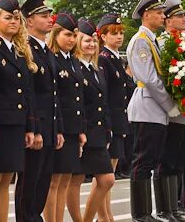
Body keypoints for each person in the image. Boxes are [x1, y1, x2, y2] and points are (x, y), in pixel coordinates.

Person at [0, 0, 37, 222]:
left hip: (15, 122)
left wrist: (30, 126)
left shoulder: (19, 50)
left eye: (16, 18)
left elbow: (27, 92)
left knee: (6, 180)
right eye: (8, 17)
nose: (13, 22)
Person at [127, 0, 180, 222]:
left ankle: (161, 211)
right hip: (147, 107)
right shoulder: (141, 41)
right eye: (159, 12)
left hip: (154, 109)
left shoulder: (151, 40)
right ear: (147, 14)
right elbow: (149, 78)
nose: (163, 16)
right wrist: (170, 105)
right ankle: (141, 214)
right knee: (143, 161)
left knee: (154, 160)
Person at [17, 0, 63, 222]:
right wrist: (32, 128)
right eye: (43, 15)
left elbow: (54, 95)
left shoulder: (45, 51)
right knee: (29, 182)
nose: (49, 19)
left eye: (49, 14)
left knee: (43, 180)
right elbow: (29, 93)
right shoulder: (26, 49)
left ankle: (34, 217)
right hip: (36, 126)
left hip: (49, 126)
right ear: (30, 21)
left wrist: (58, 129)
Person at [44, 13, 85, 222]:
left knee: (65, 180)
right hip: (59, 126)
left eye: (73, 36)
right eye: (67, 35)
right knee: (54, 181)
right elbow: (56, 98)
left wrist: (80, 129)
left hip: (71, 127)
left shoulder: (73, 60)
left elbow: (78, 98)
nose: (71, 40)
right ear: (55, 34)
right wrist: (60, 127)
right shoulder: (52, 58)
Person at [75, 18, 115, 222]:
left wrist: (108, 129)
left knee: (107, 180)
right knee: (78, 181)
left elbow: (103, 102)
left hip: (98, 132)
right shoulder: (77, 69)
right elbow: (78, 104)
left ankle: (89, 219)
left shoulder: (96, 69)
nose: (91, 45)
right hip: (84, 131)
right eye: (86, 41)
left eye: (93, 41)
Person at [156, 0, 185, 222]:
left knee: (178, 160)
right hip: (169, 110)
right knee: (166, 160)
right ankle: (164, 208)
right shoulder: (162, 43)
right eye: (180, 17)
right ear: (168, 20)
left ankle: (174, 206)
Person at [97, 13, 130, 220]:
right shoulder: (104, 59)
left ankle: (106, 214)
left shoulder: (116, 58)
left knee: (111, 173)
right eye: (114, 33)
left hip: (119, 120)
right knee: (105, 175)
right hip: (111, 121)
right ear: (103, 36)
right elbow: (106, 95)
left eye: (121, 33)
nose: (119, 37)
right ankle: (103, 216)